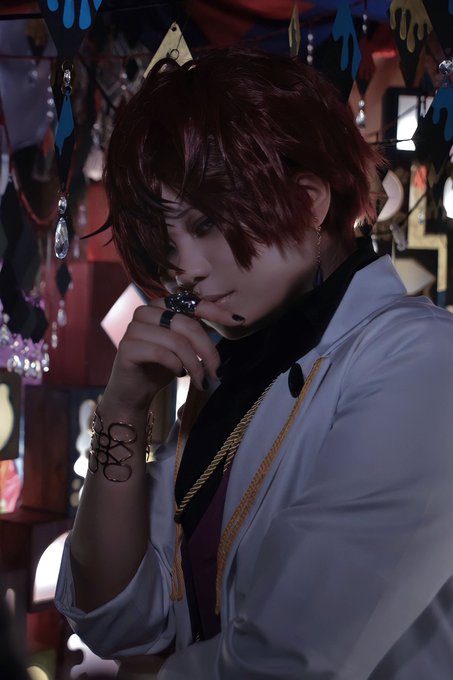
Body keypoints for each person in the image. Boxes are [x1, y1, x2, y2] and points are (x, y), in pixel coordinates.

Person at [55, 48, 453, 679]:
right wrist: (123, 409)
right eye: (167, 239)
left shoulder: (420, 362)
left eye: (207, 223)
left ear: (309, 200)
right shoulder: (231, 379)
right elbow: (115, 619)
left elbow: (287, 661)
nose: (183, 267)